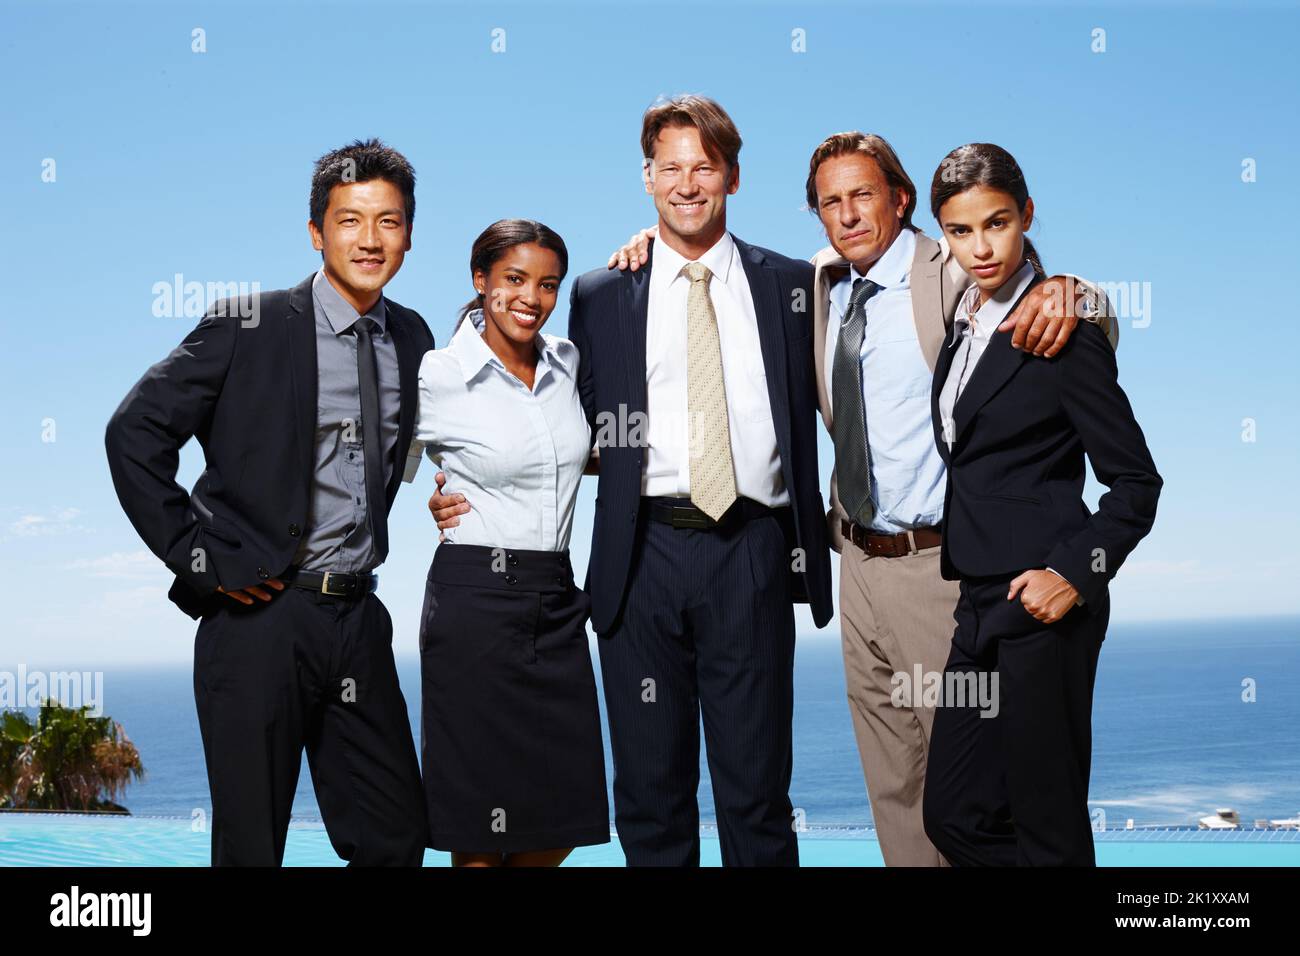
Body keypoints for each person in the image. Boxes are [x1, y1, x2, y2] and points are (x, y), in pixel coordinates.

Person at [604, 131, 1114, 866]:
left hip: (942, 566)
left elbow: (1031, 292)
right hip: (857, 565)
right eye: (829, 203)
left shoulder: (952, 268)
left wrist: (1076, 293)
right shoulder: (815, 283)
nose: (846, 216)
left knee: (969, 791)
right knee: (895, 786)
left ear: (901, 199)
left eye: (863, 196)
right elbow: (706, 269)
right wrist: (652, 238)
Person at [433, 94, 833, 866]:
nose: (688, 184)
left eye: (704, 168)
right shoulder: (601, 292)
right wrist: (461, 477)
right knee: (650, 798)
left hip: (753, 551)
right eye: (670, 168)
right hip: (638, 556)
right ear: (647, 179)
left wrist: (1063, 287)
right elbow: (550, 411)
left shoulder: (792, 284)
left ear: (733, 178)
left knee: (756, 795)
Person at [104, 139, 433, 866]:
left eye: (389, 221)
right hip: (259, 620)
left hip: (356, 617)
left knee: (395, 836)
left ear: (409, 234)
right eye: (350, 220)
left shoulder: (411, 337)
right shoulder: (246, 323)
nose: (370, 239)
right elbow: (133, 434)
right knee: (252, 846)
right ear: (317, 232)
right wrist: (201, 559)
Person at [920, 143, 1161, 866]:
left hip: (1044, 601)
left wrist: (1075, 574)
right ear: (944, 235)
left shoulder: (1062, 328)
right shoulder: (963, 325)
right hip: (977, 599)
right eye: (961, 232)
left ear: (1027, 215)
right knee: (955, 816)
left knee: (1046, 823)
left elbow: (1136, 484)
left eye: (997, 223)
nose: (981, 247)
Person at [408, 219, 610, 867]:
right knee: (479, 831)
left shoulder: (566, 361)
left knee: (561, 818)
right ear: (481, 282)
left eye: (547, 284)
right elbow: (387, 466)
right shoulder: (441, 373)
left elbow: (580, 455)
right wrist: (433, 498)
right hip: (474, 603)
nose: (532, 296)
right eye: (514, 280)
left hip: (556, 598)